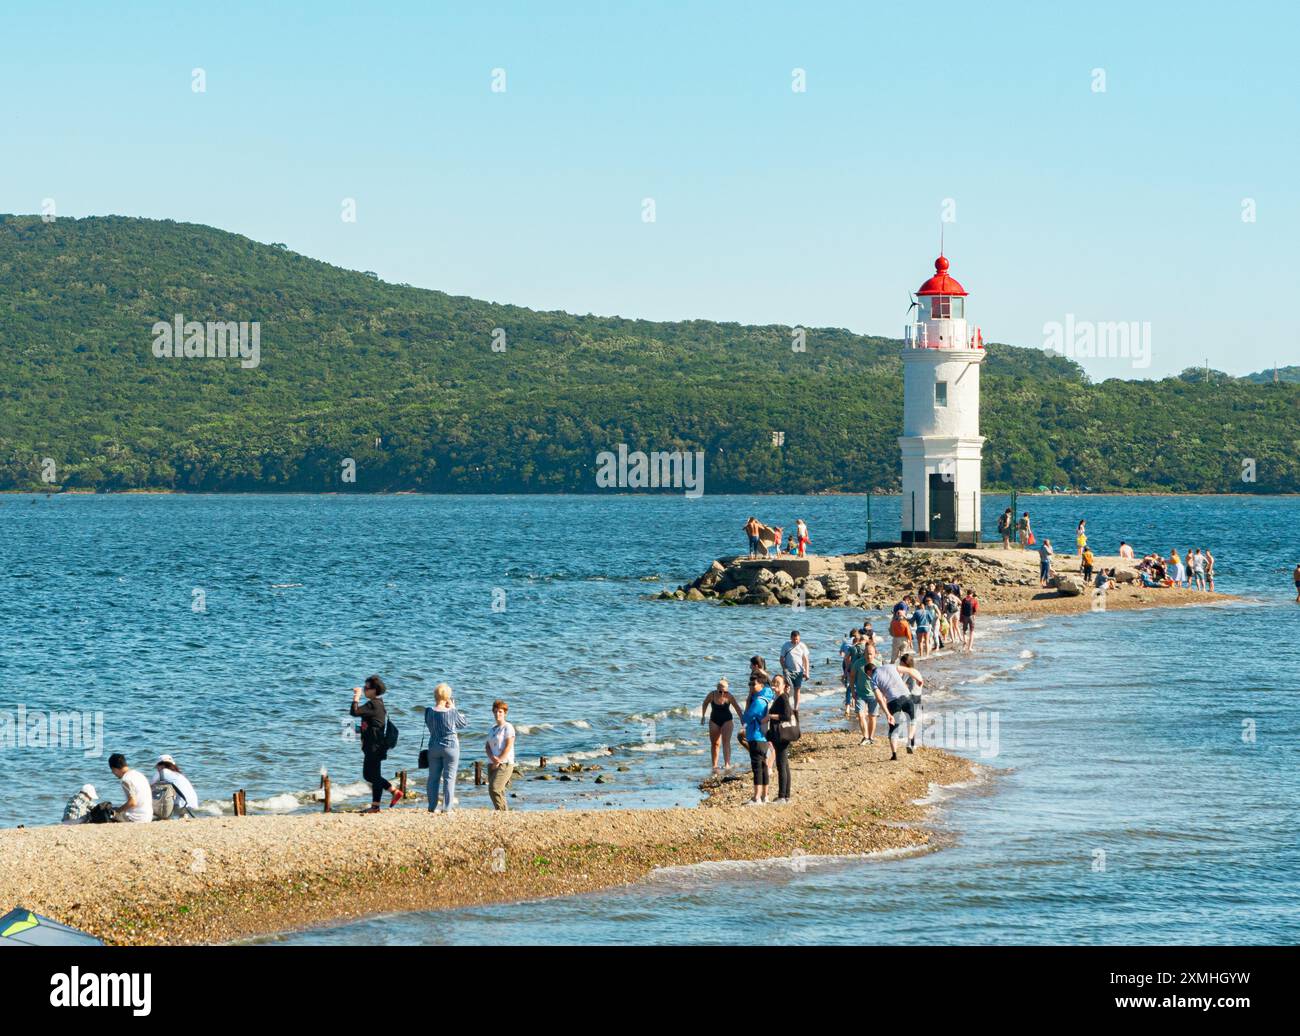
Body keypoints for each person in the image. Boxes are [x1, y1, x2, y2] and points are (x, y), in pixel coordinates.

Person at [351, 675, 400, 813]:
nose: (365, 689)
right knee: (368, 775)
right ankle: (393, 791)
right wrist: (358, 730)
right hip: (373, 745)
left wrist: (357, 696)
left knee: (374, 775)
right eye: (364, 687)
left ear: (375, 690)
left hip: (375, 746)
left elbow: (354, 712)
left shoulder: (374, 704)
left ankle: (376, 806)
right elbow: (371, 725)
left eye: (367, 688)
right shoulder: (376, 704)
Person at [867, 660, 925, 761]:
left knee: (894, 728)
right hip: (906, 696)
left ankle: (894, 755)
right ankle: (910, 739)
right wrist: (919, 679)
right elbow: (909, 670)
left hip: (893, 701)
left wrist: (888, 714)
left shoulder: (873, 679)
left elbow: (879, 699)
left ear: (868, 672)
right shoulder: (890, 666)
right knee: (912, 720)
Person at [425, 682, 469, 813]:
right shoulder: (451, 712)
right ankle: (447, 807)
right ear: (447, 698)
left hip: (433, 746)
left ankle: (432, 807)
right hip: (450, 747)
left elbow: (428, 724)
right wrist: (454, 708)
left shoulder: (428, 711)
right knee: (449, 778)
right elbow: (463, 723)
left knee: (433, 778)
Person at [741, 674, 775, 805]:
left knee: (757, 768)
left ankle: (757, 797)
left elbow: (746, 718)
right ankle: (765, 796)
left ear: (761, 685)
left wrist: (747, 701)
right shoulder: (766, 698)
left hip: (756, 737)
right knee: (764, 767)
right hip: (763, 737)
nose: (750, 687)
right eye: (749, 684)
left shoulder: (758, 701)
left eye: (753, 684)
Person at [766, 674, 796, 803]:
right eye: (774, 681)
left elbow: (787, 716)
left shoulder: (783, 697)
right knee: (784, 765)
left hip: (782, 735)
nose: (775, 683)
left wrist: (770, 716)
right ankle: (786, 795)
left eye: (778, 682)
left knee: (781, 765)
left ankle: (782, 796)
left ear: (785, 686)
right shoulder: (780, 697)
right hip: (780, 735)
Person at [701, 678, 741, 771]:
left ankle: (727, 764)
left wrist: (742, 719)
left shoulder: (729, 696)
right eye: (720, 691)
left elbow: (737, 708)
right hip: (714, 720)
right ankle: (714, 765)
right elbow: (705, 703)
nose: (722, 694)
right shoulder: (712, 695)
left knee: (726, 742)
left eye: (725, 692)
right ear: (717, 688)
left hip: (727, 720)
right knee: (715, 743)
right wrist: (703, 716)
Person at [485, 700, 516, 810]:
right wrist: (492, 759)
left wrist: (498, 761)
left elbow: (508, 746)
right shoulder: (492, 729)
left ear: (505, 713)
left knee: (495, 788)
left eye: (500, 712)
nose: (497, 714)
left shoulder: (508, 727)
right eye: (495, 712)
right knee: (495, 790)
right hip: (492, 763)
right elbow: (487, 746)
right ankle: (503, 811)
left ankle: (502, 812)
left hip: (505, 763)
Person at [108, 754, 152, 823]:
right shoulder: (139, 774)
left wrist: (116, 812)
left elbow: (132, 802)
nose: (113, 773)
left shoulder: (126, 779)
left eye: (112, 771)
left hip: (136, 818)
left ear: (115, 769)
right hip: (148, 815)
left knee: (108, 813)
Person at [779, 630, 810, 710]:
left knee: (797, 689)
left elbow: (806, 660)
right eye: (794, 639)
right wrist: (784, 669)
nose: (796, 641)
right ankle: (786, 706)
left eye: (797, 639)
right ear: (791, 638)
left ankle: (796, 708)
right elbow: (781, 659)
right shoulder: (786, 645)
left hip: (799, 671)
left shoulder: (802, 646)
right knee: (786, 688)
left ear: (799, 638)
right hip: (788, 671)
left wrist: (807, 672)